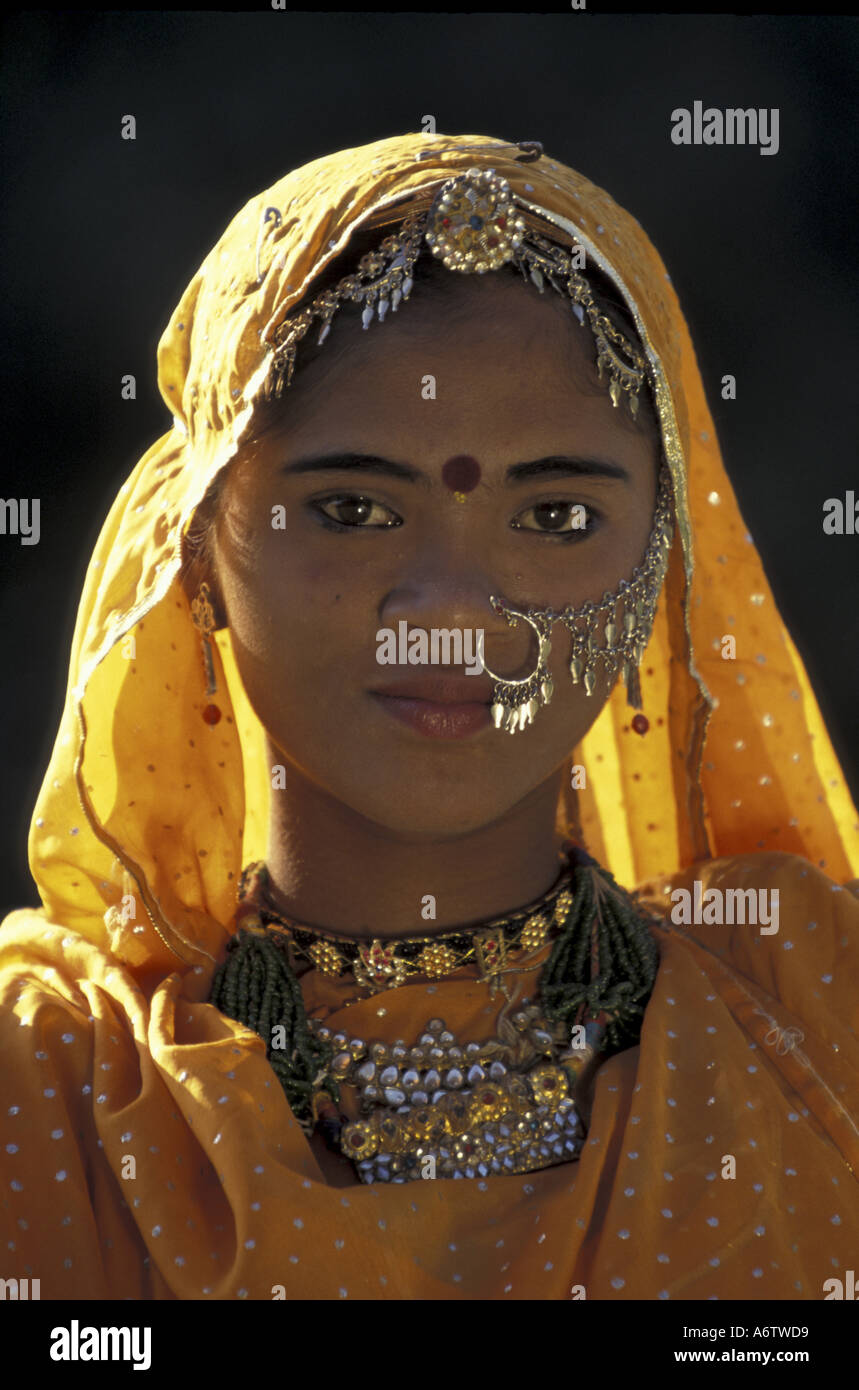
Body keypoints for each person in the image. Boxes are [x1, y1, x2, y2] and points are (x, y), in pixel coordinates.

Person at [1, 132, 857, 1302]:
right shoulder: (49, 1085)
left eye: (554, 516)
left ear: (665, 557)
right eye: (352, 507)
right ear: (195, 544)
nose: (451, 611)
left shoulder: (816, 1004)